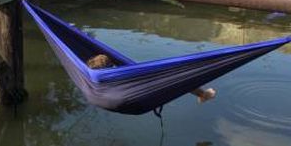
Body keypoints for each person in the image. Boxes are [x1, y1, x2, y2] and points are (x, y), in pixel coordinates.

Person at [85, 54, 216, 103]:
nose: (114, 65)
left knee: (177, 79)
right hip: (142, 85)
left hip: (134, 86)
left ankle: (202, 94)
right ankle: (202, 94)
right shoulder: (114, 72)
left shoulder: (94, 75)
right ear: (109, 66)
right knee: (177, 79)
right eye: (111, 64)